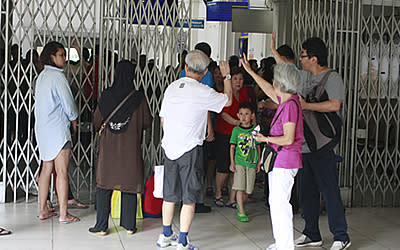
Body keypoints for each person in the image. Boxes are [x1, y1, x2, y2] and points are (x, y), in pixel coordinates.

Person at [271, 31, 351, 250]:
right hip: (304, 143)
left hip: (323, 142)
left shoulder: (332, 78)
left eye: (304, 55)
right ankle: (311, 232)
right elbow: (288, 71)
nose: (301, 59)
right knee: (306, 190)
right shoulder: (304, 76)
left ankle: (340, 235)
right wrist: (274, 52)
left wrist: (307, 106)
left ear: (314, 58)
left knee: (329, 188)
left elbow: (335, 105)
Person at [156, 50, 232, 250]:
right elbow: (228, 101)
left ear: (185, 67)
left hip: (170, 147)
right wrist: (227, 77)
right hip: (190, 149)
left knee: (169, 194)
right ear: (206, 71)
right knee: (189, 197)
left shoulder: (172, 87)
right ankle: (182, 240)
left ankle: (165, 235)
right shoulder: (203, 91)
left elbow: (163, 119)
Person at [242, 52, 303, 250]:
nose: (273, 83)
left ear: (282, 85)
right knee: (277, 203)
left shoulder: (291, 105)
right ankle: (281, 243)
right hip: (281, 160)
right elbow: (268, 89)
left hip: (285, 161)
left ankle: (285, 246)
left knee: (280, 204)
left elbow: (288, 137)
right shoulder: (287, 99)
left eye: (275, 80)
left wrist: (265, 138)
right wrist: (251, 72)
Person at [89, 60, 152, 235]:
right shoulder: (138, 97)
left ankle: (101, 226)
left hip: (109, 148)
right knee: (129, 184)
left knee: (104, 185)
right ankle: (129, 225)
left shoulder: (107, 95)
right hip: (130, 147)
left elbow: (96, 121)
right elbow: (147, 121)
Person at [35, 41, 79, 223]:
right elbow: (69, 104)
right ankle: (63, 214)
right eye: (61, 55)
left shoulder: (42, 77)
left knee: (46, 169)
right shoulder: (58, 78)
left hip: (43, 130)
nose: (65, 58)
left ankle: (43, 209)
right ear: (52, 57)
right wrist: (74, 119)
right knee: (62, 171)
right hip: (58, 131)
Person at [179, 42, 215, 213]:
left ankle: (182, 196)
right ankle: (195, 200)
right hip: (199, 126)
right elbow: (205, 104)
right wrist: (210, 128)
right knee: (198, 164)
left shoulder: (182, 73)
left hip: (183, 124)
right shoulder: (205, 75)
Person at [214, 67, 251, 208]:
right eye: (235, 79)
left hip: (240, 135)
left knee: (236, 168)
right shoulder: (225, 94)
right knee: (223, 167)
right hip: (224, 134)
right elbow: (223, 114)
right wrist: (237, 123)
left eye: (240, 79)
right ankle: (218, 193)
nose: (238, 82)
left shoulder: (244, 93)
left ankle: (232, 197)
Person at [229, 101, 261, 222]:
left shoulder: (255, 130)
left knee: (248, 190)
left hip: (251, 163)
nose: (243, 117)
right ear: (237, 115)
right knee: (239, 187)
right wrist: (232, 162)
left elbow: (258, 146)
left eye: (247, 114)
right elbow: (232, 147)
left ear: (252, 115)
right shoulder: (236, 130)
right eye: (241, 114)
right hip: (239, 162)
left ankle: (240, 203)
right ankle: (241, 211)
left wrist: (258, 162)